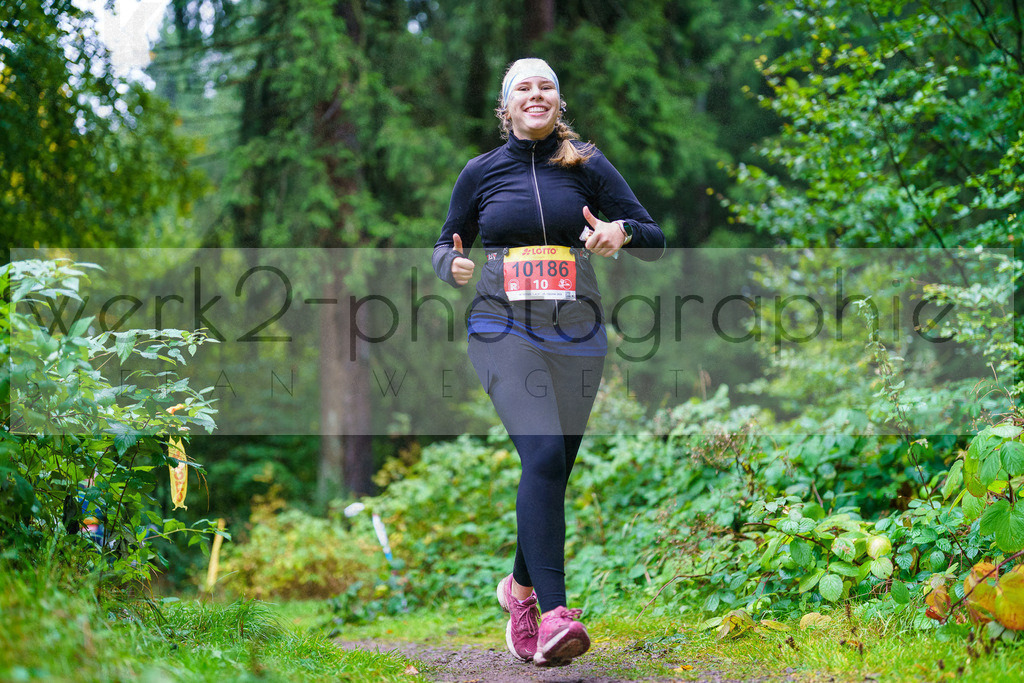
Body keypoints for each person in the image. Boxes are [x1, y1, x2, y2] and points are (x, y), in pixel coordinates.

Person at [432, 57, 665, 667]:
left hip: (578, 334)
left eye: (547, 86)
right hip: (501, 327)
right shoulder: (480, 172)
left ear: (559, 102)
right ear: (506, 106)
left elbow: (653, 235)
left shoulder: (586, 163)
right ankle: (556, 613)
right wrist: (450, 265)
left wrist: (622, 232)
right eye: (523, 88)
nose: (536, 94)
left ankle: (519, 589)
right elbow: (444, 242)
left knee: (552, 470)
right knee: (541, 455)